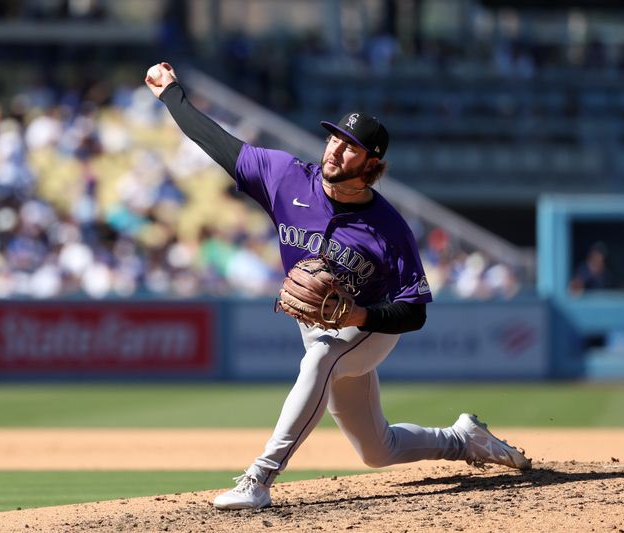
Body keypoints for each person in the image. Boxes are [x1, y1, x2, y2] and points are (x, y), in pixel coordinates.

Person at [145, 62, 531, 510]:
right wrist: (171, 94)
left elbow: (416, 311)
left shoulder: (388, 228)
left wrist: (360, 316)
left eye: (350, 148)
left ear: (371, 164)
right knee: (377, 449)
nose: (334, 151)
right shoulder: (285, 177)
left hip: (368, 327)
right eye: (334, 139)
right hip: (319, 324)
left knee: (321, 359)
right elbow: (219, 144)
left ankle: (260, 478)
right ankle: (463, 439)